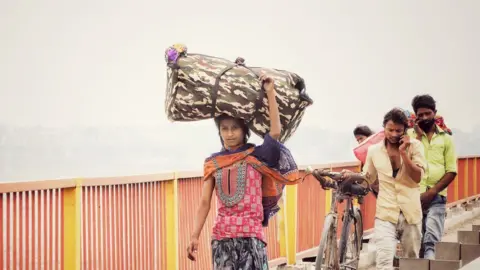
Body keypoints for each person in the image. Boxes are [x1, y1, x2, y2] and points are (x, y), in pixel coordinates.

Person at [186, 75, 302, 269]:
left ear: (244, 131)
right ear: (219, 132)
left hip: (252, 237)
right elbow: (205, 202)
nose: (229, 134)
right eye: (224, 129)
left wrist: (270, 92)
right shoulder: (213, 163)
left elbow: (274, 132)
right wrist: (194, 235)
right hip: (222, 238)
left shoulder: (257, 155)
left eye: (234, 129)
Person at [343, 108, 427, 270]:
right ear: (384, 129)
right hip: (385, 213)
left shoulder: (415, 147)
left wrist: (404, 154)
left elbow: (417, 177)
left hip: (410, 213)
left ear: (405, 131)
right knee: (383, 262)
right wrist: (352, 177)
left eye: (398, 131)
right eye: (390, 130)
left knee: (412, 261)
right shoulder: (374, 151)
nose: (394, 134)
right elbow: (368, 178)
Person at [407, 95, 457, 259]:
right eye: (420, 115)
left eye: (428, 113)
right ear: (415, 116)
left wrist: (432, 192)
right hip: (412, 196)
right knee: (415, 244)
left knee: (431, 241)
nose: (425, 118)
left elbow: (451, 170)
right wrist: (418, 137)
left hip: (437, 197)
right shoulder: (408, 137)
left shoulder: (446, 139)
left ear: (434, 113)